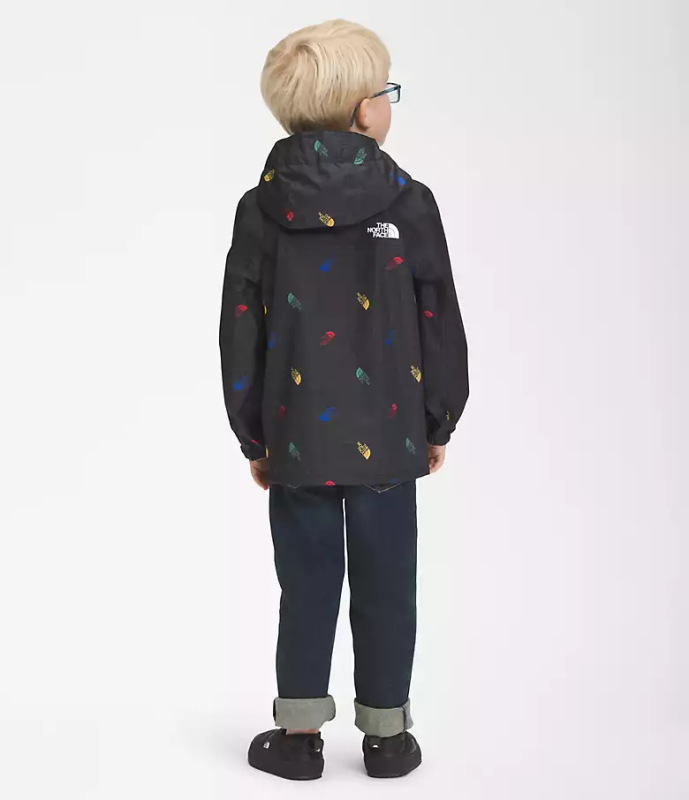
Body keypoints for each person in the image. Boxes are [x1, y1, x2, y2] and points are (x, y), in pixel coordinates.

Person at [219, 19, 469, 781]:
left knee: (306, 585)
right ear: (364, 110)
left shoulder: (259, 210)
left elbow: (239, 329)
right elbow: (438, 319)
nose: (387, 104)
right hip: (390, 439)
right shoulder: (410, 202)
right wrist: (438, 419)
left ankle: (298, 739)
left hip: (295, 437)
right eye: (385, 91)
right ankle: (387, 740)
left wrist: (253, 436)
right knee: (388, 585)